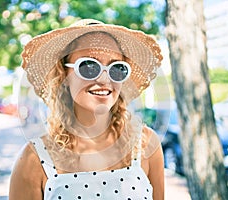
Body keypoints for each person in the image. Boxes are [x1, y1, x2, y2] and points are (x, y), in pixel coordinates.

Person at [9, 19, 164, 200]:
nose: (105, 80)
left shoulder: (147, 144)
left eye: (117, 68)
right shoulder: (33, 159)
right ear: (63, 74)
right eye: (89, 66)